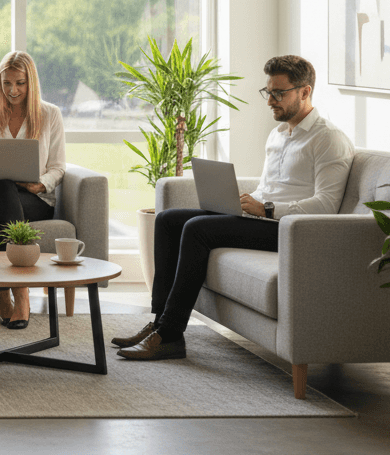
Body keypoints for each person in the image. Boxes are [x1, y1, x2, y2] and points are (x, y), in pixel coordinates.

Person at [115, 55, 355, 360]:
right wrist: (242, 200)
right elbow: (272, 187)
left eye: (278, 93)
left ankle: (171, 335)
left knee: (197, 230)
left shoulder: (328, 140)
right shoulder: (279, 134)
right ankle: (158, 324)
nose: (270, 101)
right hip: (264, 219)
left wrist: (266, 208)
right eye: (267, 92)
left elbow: (326, 206)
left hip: (290, 231)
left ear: (305, 92)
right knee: (168, 220)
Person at [0, 51, 65, 330]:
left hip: (34, 197)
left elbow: (58, 167)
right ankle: (22, 292)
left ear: (30, 82)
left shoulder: (50, 114)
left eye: (20, 83)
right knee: (2, 182)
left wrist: (40, 183)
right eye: (6, 83)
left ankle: (3, 293)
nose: (12, 90)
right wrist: (1, 176)